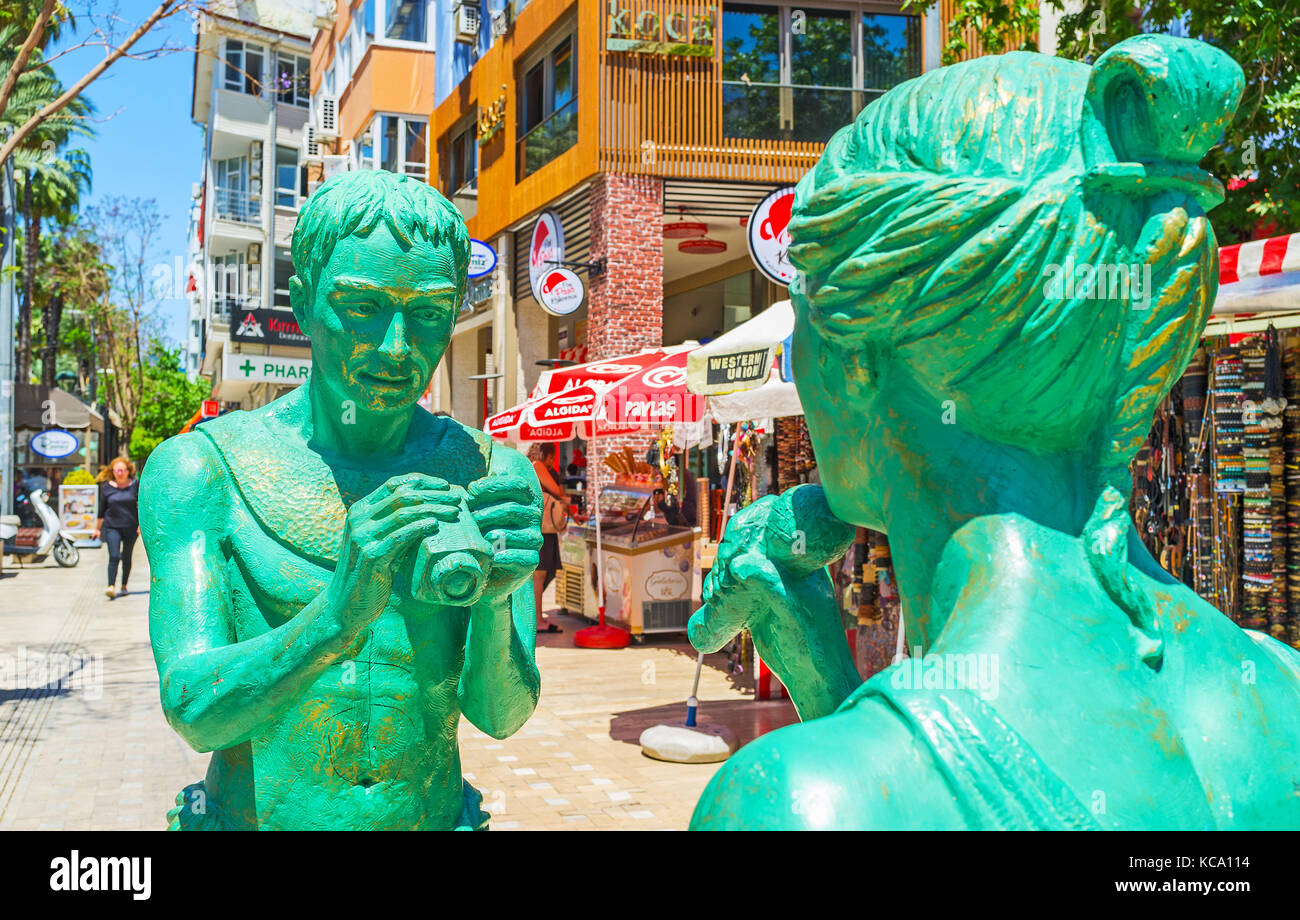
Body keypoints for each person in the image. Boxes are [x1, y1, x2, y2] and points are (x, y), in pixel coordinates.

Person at [689, 36, 1300, 830]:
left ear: (860, 358)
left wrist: (841, 743)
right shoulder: (1279, 682)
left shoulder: (796, 802)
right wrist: (828, 686)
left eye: (804, 313)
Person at [140, 170, 543, 830]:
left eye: (428, 314)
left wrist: (497, 599)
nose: (395, 348)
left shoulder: (491, 473)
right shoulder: (201, 472)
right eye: (362, 308)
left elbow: (502, 716)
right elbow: (195, 710)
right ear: (300, 301)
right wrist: (334, 618)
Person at [530, 442, 566, 633]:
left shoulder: (536, 466)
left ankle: (534, 616)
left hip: (545, 526)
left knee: (543, 574)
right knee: (539, 575)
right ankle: (536, 619)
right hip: (543, 526)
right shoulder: (537, 465)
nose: (552, 461)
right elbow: (557, 491)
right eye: (551, 457)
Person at [93, 457, 139, 599]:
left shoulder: (135, 485)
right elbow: (102, 510)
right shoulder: (107, 488)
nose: (120, 473)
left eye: (122, 470)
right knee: (114, 556)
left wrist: (140, 525)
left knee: (127, 557)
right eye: (117, 470)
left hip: (131, 527)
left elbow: (142, 507)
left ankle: (124, 585)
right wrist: (97, 528)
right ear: (112, 472)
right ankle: (111, 586)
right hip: (112, 526)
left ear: (128, 471)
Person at [654, 446, 698, 528]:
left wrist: (658, 499)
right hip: (685, 517)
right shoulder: (682, 472)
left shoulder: (676, 474)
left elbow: (670, 503)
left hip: (683, 519)